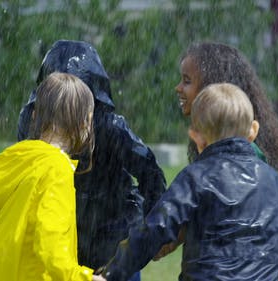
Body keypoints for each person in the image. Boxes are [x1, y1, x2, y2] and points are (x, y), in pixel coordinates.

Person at [101, 83, 278, 281]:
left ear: (196, 137)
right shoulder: (273, 180)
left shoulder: (195, 177)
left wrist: (112, 273)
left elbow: (156, 227)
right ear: (253, 130)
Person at [170, 41, 278, 280]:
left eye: (187, 81)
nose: (178, 88)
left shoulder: (242, 157)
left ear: (213, 91)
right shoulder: (219, 146)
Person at [17, 40, 167, 281]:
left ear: (91, 107)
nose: (66, 114)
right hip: (60, 240)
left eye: (76, 105)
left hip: (112, 244)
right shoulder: (32, 121)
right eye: (59, 103)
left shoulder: (109, 127)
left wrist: (147, 233)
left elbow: (151, 174)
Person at [0, 72, 105, 281]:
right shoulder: (56, 168)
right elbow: (50, 241)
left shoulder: (25, 159)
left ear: (35, 116)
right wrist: (80, 277)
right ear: (84, 125)